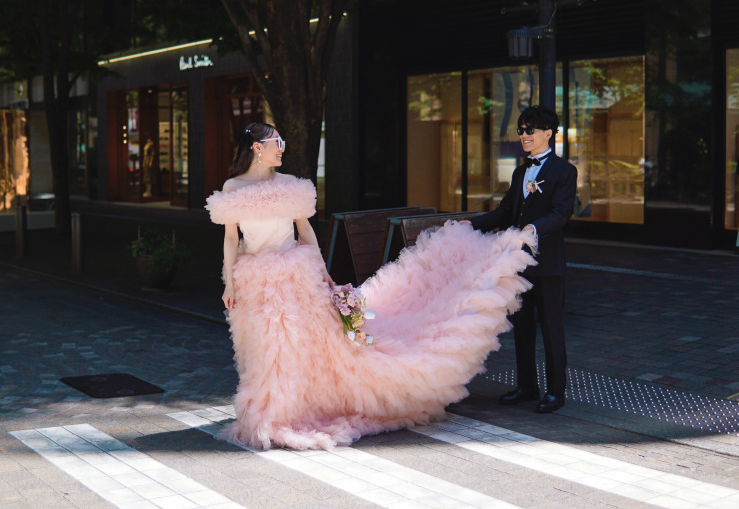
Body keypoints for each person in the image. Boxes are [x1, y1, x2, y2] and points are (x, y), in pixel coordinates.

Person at [205, 122, 539, 450]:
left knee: (305, 346)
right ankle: (274, 412)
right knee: (269, 348)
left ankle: (301, 408)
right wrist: (230, 283)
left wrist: (323, 273)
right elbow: (231, 239)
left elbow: (305, 232)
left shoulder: (291, 184)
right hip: (257, 279)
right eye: (277, 142)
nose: (283, 148)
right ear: (257, 149)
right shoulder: (233, 188)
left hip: (296, 273)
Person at [467, 106, 577, 413]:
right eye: (521, 130)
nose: (524, 136)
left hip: (548, 263)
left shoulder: (565, 171)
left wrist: (533, 228)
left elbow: (560, 214)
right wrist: (473, 224)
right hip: (516, 263)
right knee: (523, 325)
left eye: (530, 130)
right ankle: (528, 386)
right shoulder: (519, 172)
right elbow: (505, 212)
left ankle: (556, 392)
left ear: (548, 133)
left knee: (553, 327)